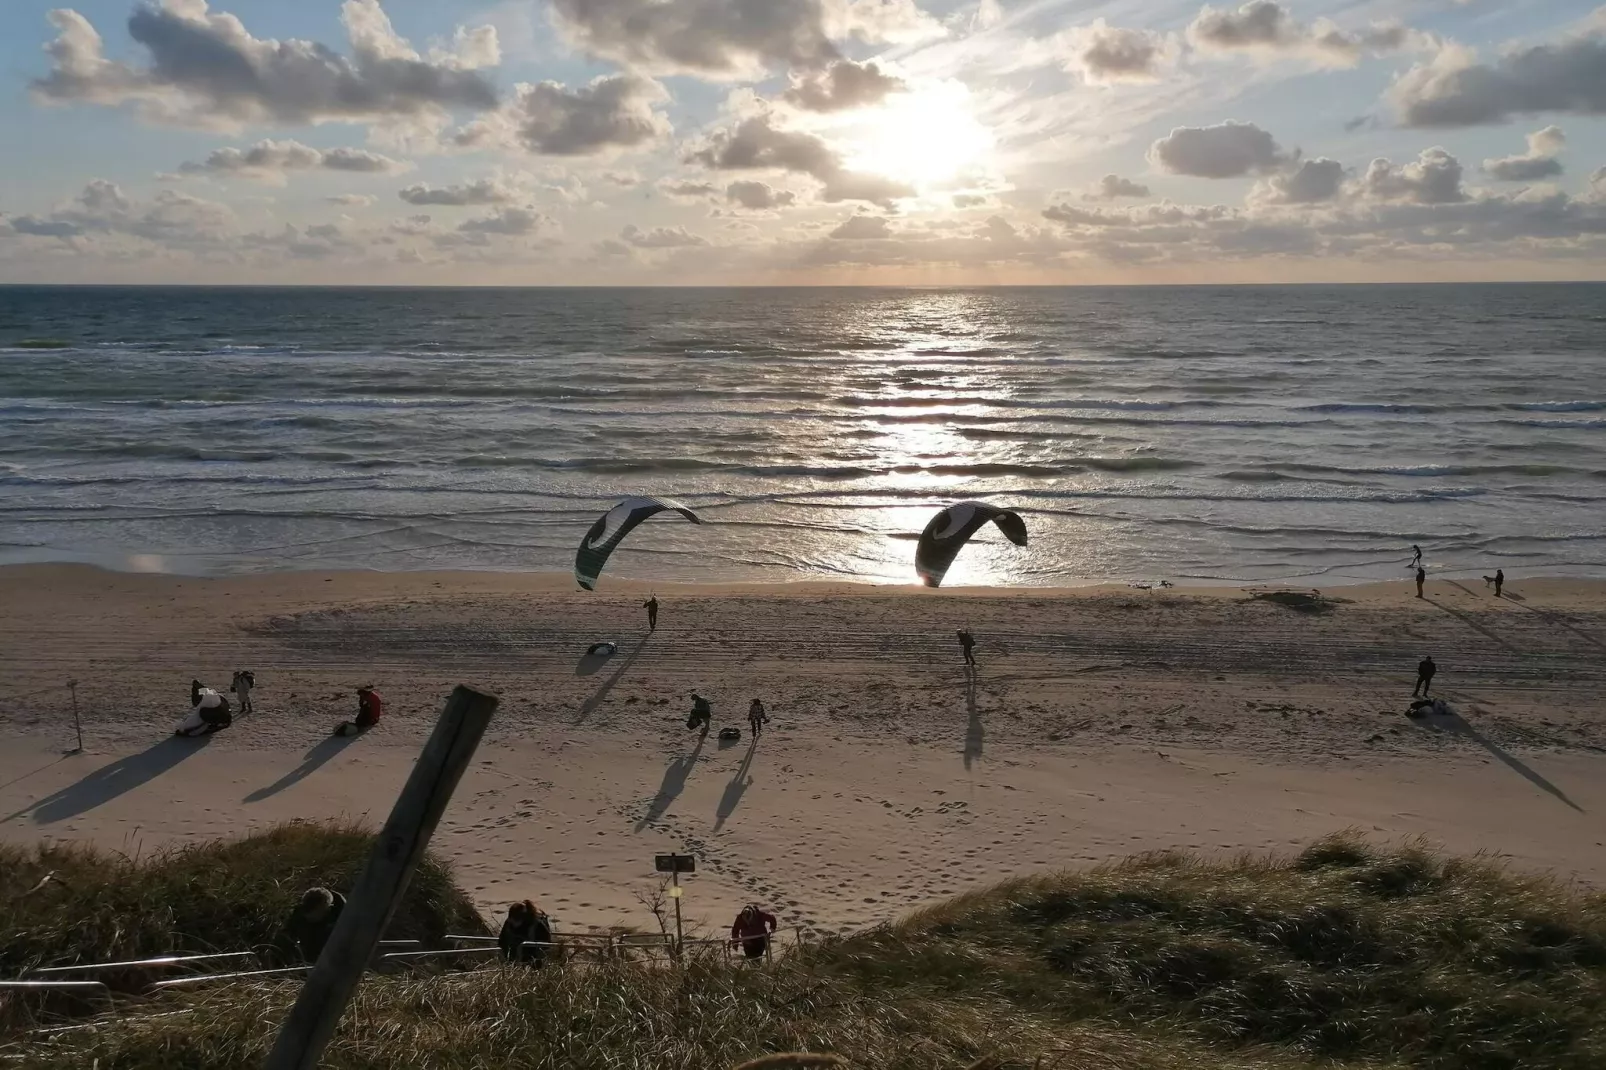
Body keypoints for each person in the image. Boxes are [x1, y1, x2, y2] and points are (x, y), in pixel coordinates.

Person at [286, 886, 345, 962]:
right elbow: (288, 937)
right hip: (305, 962)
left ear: (328, 909)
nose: (308, 917)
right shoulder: (298, 916)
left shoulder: (343, 921)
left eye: (315, 914)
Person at [499, 900, 552, 966]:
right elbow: (501, 940)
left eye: (515, 921)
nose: (512, 923)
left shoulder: (537, 925)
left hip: (533, 963)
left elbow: (546, 945)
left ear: (522, 919)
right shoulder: (509, 923)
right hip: (512, 961)